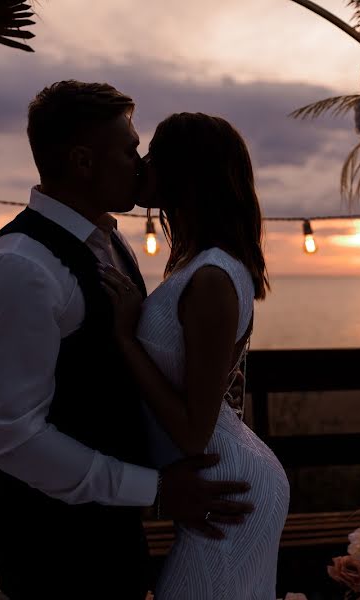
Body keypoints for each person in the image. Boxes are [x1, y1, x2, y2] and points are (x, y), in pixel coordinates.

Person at [0, 82, 253, 599]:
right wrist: (156, 490)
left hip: (117, 540)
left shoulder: (113, 243)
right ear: (83, 161)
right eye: (129, 149)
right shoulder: (17, 269)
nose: (140, 164)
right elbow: (15, 438)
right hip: (55, 556)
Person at [99, 112, 290, 599]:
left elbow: (192, 430)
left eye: (153, 155)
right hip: (217, 482)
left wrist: (124, 338)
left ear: (184, 171)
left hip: (226, 488)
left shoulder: (212, 277)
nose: (142, 165)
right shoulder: (197, 264)